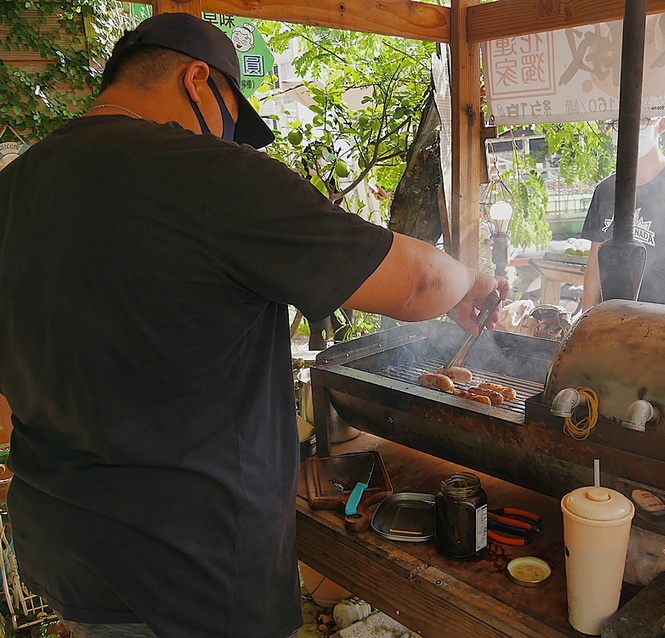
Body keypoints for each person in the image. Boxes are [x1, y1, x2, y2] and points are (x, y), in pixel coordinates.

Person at [0, 13, 507, 638]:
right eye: (232, 120)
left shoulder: (14, 189)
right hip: (195, 569)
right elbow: (420, 282)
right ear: (197, 81)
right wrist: (472, 282)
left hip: (67, 553)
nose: (232, 139)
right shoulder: (208, 174)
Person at [581, 116, 665, 311]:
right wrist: (586, 324)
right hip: (614, 320)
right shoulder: (605, 191)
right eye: (620, 122)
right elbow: (595, 262)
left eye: (643, 120)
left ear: (661, 125)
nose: (631, 128)